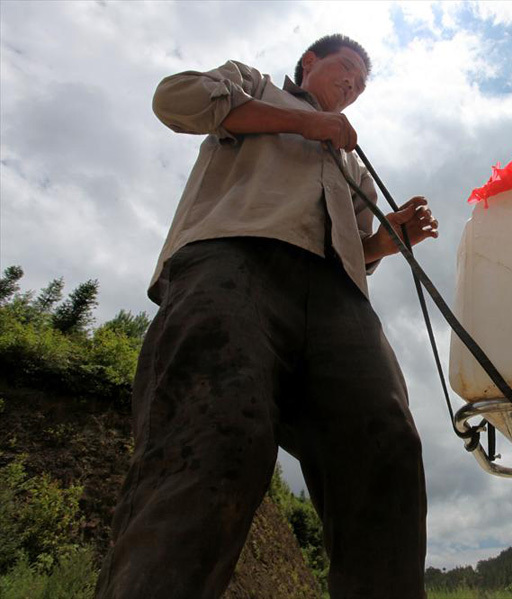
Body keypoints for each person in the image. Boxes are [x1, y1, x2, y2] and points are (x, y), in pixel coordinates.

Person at [94, 33, 435, 599]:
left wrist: (385, 242)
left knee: (386, 447)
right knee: (215, 432)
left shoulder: (351, 162)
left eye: (360, 82)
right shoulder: (252, 85)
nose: (352, 84)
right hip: (232, 262)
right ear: (308, 64)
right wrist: (303, 124)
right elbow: (174, 99)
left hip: (340, 300)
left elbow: (358, 245)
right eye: (344, 68)